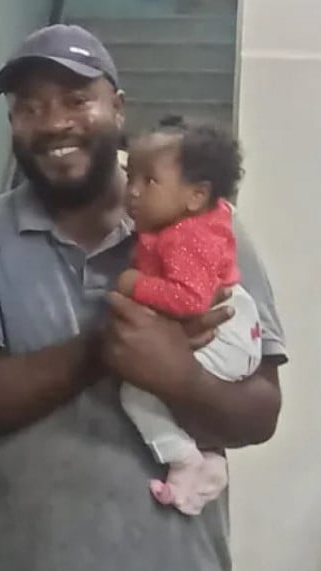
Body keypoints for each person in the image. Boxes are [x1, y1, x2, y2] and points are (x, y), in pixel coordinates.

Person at [0, 24, 286, 571]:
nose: (54, 121)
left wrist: (175, 374)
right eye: (30, 106)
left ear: (118, 107)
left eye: (75, 99)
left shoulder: (206, 230)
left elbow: (260, 414)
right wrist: (107, 350)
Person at [118, 116, 261, 515]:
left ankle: (182, 460)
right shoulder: (190, 224)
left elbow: (190, 300)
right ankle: (210, 461)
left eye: (149, 181)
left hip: (226, 334)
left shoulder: (185, 237)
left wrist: (133, 284)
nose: (133, 191)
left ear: (197, 195)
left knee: (137, 390)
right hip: (236, 329)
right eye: (130, 177)